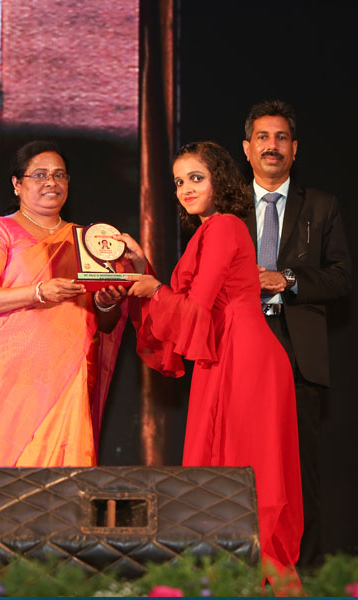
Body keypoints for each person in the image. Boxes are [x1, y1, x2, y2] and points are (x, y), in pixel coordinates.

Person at [120, 142, 303, 581]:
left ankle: (256, 581)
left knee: (245, 475)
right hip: (223, 353)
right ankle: (227, 580)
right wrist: (146, 271)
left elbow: (195, 307)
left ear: (219, 180)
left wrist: (154, 289)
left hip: (244, 356)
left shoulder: (223, 227)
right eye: (179, 181)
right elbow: (187, 303)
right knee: (222, 475)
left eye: (196, 178)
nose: (185, 188)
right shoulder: (209, 231)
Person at [0, 140, 126, 467]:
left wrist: (107, 304)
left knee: (66, 483)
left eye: (59, 175)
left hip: (68, 377)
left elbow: (104, 323)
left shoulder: (87, 241)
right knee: (8, 484)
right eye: (39, 175)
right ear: (17, 183)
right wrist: (38, 292)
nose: (51, 182)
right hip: (10, 380)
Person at [241, 100, 352, 566]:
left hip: (297, 352)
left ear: (295, 148)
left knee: (300, 471)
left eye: (281, 137)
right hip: (239, 349)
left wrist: (287, 279)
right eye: (263, 137)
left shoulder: (322, 205)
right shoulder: (224, 207)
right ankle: (241, 573)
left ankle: (304, 575)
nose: (272, 146)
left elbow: (342, 278)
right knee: (242, 466)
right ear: (247, 148)